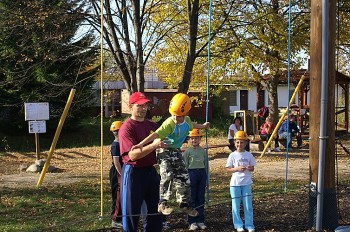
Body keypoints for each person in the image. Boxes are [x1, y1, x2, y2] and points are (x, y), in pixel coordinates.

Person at [132, 93, 210, 217]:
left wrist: (203, 126)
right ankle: (162, 202)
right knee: (168, 174)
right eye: (173, 115)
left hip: (175, 150)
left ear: (185, 114)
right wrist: (141, 144)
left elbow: (192, 125)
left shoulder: (187, 121)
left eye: (178, 116)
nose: (175, 118)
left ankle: (184, 203)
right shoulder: (169, 123)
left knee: (184, 176)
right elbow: (155, 135)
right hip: (163, 149)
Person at [119, 92, 164, 232]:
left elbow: (168, 137)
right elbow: (132, 155)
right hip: (133, 173)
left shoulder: (152, 125)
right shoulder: (126, 128)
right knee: (131, 213)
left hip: (150, 171)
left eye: (145, 105)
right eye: (140, 106)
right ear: (131, 106)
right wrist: (154, 145)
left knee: (154, 211)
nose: (144, 108)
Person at [225, 131, 256, 232]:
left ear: (245, 143)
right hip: (235, 184)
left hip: (246, 183)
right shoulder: (232, 155)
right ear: (235, 142)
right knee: (236, 205)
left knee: (248, 205)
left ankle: (249, 225)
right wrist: (237, 169)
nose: (239, 144)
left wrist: (250, 168)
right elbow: (228, 169)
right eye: (238, 142)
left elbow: (252, 168)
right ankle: (238, 225)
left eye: (242, 142)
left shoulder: (249, 155)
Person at [183, 129, 207, 231]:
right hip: (191, 173)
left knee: (200, 197)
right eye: (192, 138)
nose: (194, 140)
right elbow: (185, 166)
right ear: (189, 139)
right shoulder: (187, 151)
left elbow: (206, 165)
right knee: (192, 198)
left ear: (200, 139)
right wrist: (186, 179)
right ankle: (192, 221)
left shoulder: (203, 151)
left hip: (201, 173)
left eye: (196, 138)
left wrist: (207, 180)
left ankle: (200, 220)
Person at [109, 120, 123, 229]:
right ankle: (115, 219)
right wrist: (122, 175)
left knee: (122, 196)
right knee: (117, 196)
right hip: (117, 172)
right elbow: (116, 162)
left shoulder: (120, 143)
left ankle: (121, 216)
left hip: (120, 171)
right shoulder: (116, 145)